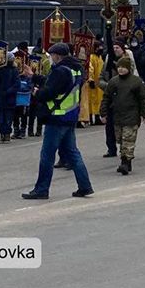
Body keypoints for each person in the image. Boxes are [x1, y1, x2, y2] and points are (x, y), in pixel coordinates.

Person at [22, 43, 94, 199]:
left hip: (57, 117)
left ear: (58, 56)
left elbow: (50, 91)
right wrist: (34, 76)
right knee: (73, 154)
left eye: (51, 55)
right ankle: (85, 186)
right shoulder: (76, 69)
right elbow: (55, 83)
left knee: (47, 155)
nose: (50, 57)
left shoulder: (60, 71)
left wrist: (36, 92)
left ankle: (41, 189)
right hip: (70, 116)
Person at [99, 56, 145, 175]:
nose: (121, 69)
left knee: (128, 140)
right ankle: (126, 161)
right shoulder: (113, 82)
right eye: (119, 67)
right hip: (117, 116)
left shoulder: (136, 82)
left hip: (131, 116)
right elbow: (106, 98)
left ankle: (125, 162)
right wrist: (103, 113)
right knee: (121, 140)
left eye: (124, 67)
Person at [0, 53, 18, 143]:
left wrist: (8, 92)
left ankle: (7, 134)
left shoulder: (14, 70)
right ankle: (2, 134)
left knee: (8, 118)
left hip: (9, 98)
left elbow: (17, 84)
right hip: (0, 98)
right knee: (1, 118)